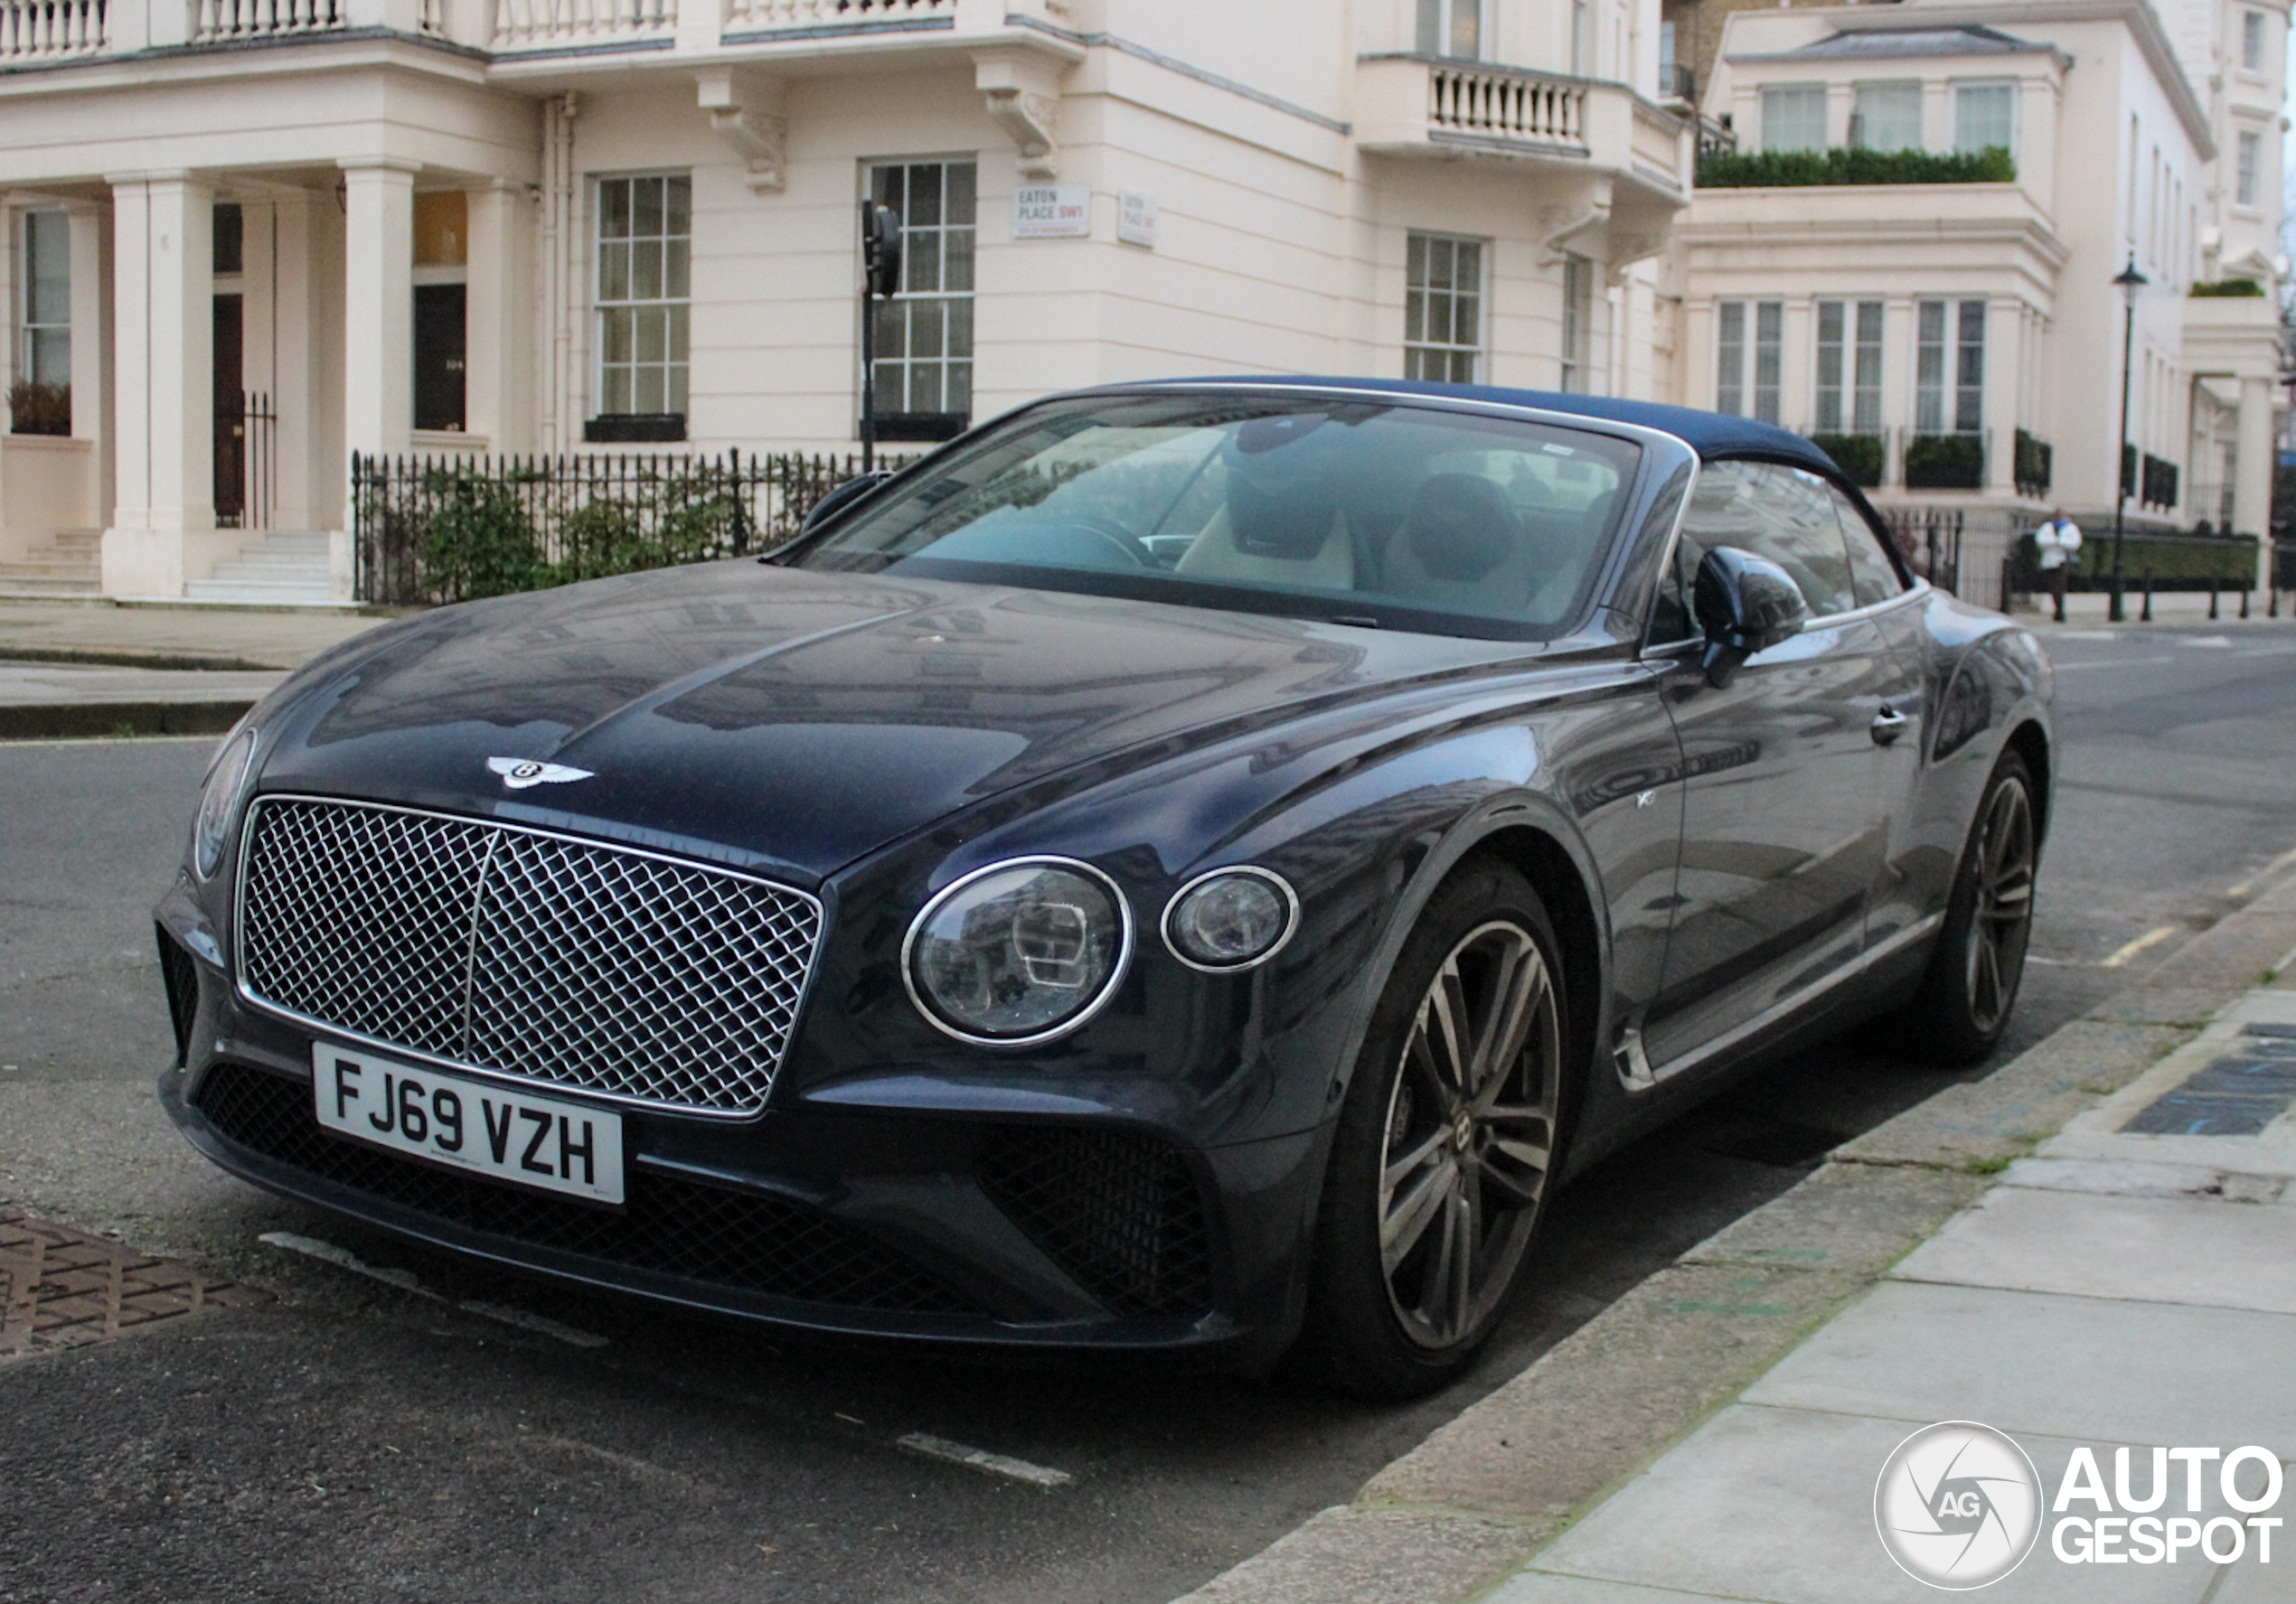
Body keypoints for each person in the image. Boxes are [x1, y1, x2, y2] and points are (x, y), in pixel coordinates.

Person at [2034, 509, 2083, 622]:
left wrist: (2058, 541)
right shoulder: (2047, 527)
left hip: (2063, 561)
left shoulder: (2070, 528)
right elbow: (2040, 540)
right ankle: (2058, 609)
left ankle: (2060, 611)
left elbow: (2075, 543)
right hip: (2049, 562)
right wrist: (2056, 541)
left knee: (2059, 586)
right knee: (2053, 587)